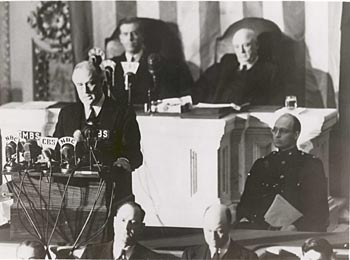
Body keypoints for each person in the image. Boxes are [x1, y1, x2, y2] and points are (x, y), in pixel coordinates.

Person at [53, 57, 143, 217]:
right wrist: (47, 154)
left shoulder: (122, 113)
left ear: (102, 81)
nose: (85, 90)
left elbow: (135, 155)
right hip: (73, 194)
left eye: (90, 83)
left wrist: (124, 161)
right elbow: (56, 151)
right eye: (80, 85)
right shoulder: (67, 114)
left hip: (113, 194)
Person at [235, 113, 329, 232]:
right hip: (261, 230)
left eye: (283, 131)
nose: (277, 135)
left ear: (296, 135)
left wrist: (296, 227)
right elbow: (246, 203)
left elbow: (320, 211)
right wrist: (245, 219)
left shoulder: (311, 165)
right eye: (275, 130)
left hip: (295, 232)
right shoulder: (261, 164)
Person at [110, 17, 193, 106]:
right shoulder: (113, 65)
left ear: (142, 35)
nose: (130, 38)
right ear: (120, 38)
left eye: (135, 33)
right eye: (125, 34)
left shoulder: (158, 63)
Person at [193, 28, 281, 106]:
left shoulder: (270, 70)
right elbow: (201, 85)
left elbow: (275, 102)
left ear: (256, 45)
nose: (241, 51)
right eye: (237, 47)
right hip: (218, 114)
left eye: (246, 45)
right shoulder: (226, 63)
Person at [81, 201, 163, 259]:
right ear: (114, 222)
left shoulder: (153, 258)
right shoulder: (91, 254)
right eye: (122, 220)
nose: (126, 227)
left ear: (141, 228)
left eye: (133, 223)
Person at [182, 204, 258, 260]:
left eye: (219, 231)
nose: (213, 237)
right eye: (209, 230)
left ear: (229, 227)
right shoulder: (189, 256)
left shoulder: (249, 258)